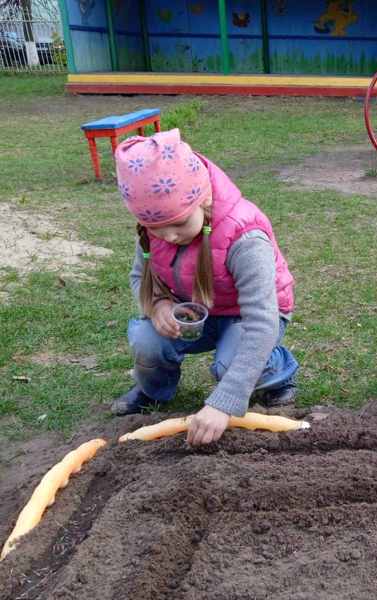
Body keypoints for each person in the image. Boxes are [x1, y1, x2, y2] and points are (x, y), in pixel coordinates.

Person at [111, 129, 298, 446]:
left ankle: (277, 368)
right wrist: (158, 307)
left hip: (249, 318)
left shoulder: (245, 238)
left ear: (205, 199)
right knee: (145, 339)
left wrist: (224, 403)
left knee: (229, 365)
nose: (169, 236)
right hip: (199, 313)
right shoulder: (153, 231)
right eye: (158, 229)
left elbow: (262, 321)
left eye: (179, 224)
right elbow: (138, 277)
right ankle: (154, 392)